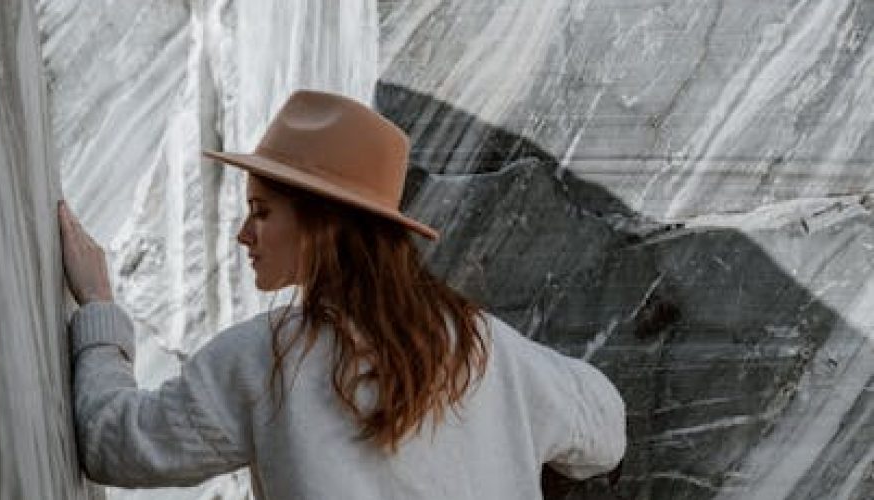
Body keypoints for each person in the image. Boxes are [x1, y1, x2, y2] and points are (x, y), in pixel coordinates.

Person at [57, 89, 626, 499]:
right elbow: (606, 429)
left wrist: (100, 309)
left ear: (323, 225)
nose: (243, 233)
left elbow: (114, 443)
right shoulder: (486, 348)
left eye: (261, 212)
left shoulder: (268, 360)